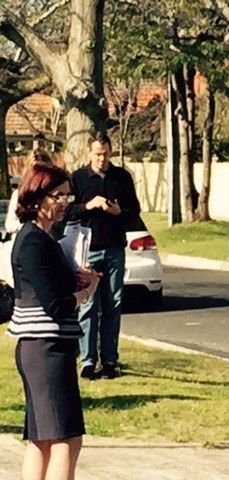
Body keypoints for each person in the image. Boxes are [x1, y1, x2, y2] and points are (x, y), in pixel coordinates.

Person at [7, 162, 99, 480]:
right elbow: (56, 305)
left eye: (67, 195)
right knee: (66, 440)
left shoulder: (44, 240)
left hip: (46, 348)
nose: (64, 202)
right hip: (45, 350)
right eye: (58, 195)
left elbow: (53, 288)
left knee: (43, 441)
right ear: (37, 197)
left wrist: (79, 278)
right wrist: (88, 292)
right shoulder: (33, 241)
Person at [66, 131, 141, 380]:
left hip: (115, 248)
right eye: (98, 154)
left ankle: (110, 359)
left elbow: (135, 211)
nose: (102, 158)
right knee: (88, 305)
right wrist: (88, 205)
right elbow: (66, 211)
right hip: (89, 248)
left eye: (106, 153)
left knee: (114, 304)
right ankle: (88, 361)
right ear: (89, 153)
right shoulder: (78, 178)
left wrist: (119, 211)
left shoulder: (121, 177)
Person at [5, 148, 55, 236]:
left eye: (45, 171)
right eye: (37, 171)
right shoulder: (19, 194)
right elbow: (9, 225)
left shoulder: (56, 194)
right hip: (25, 242)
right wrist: (30, 225)